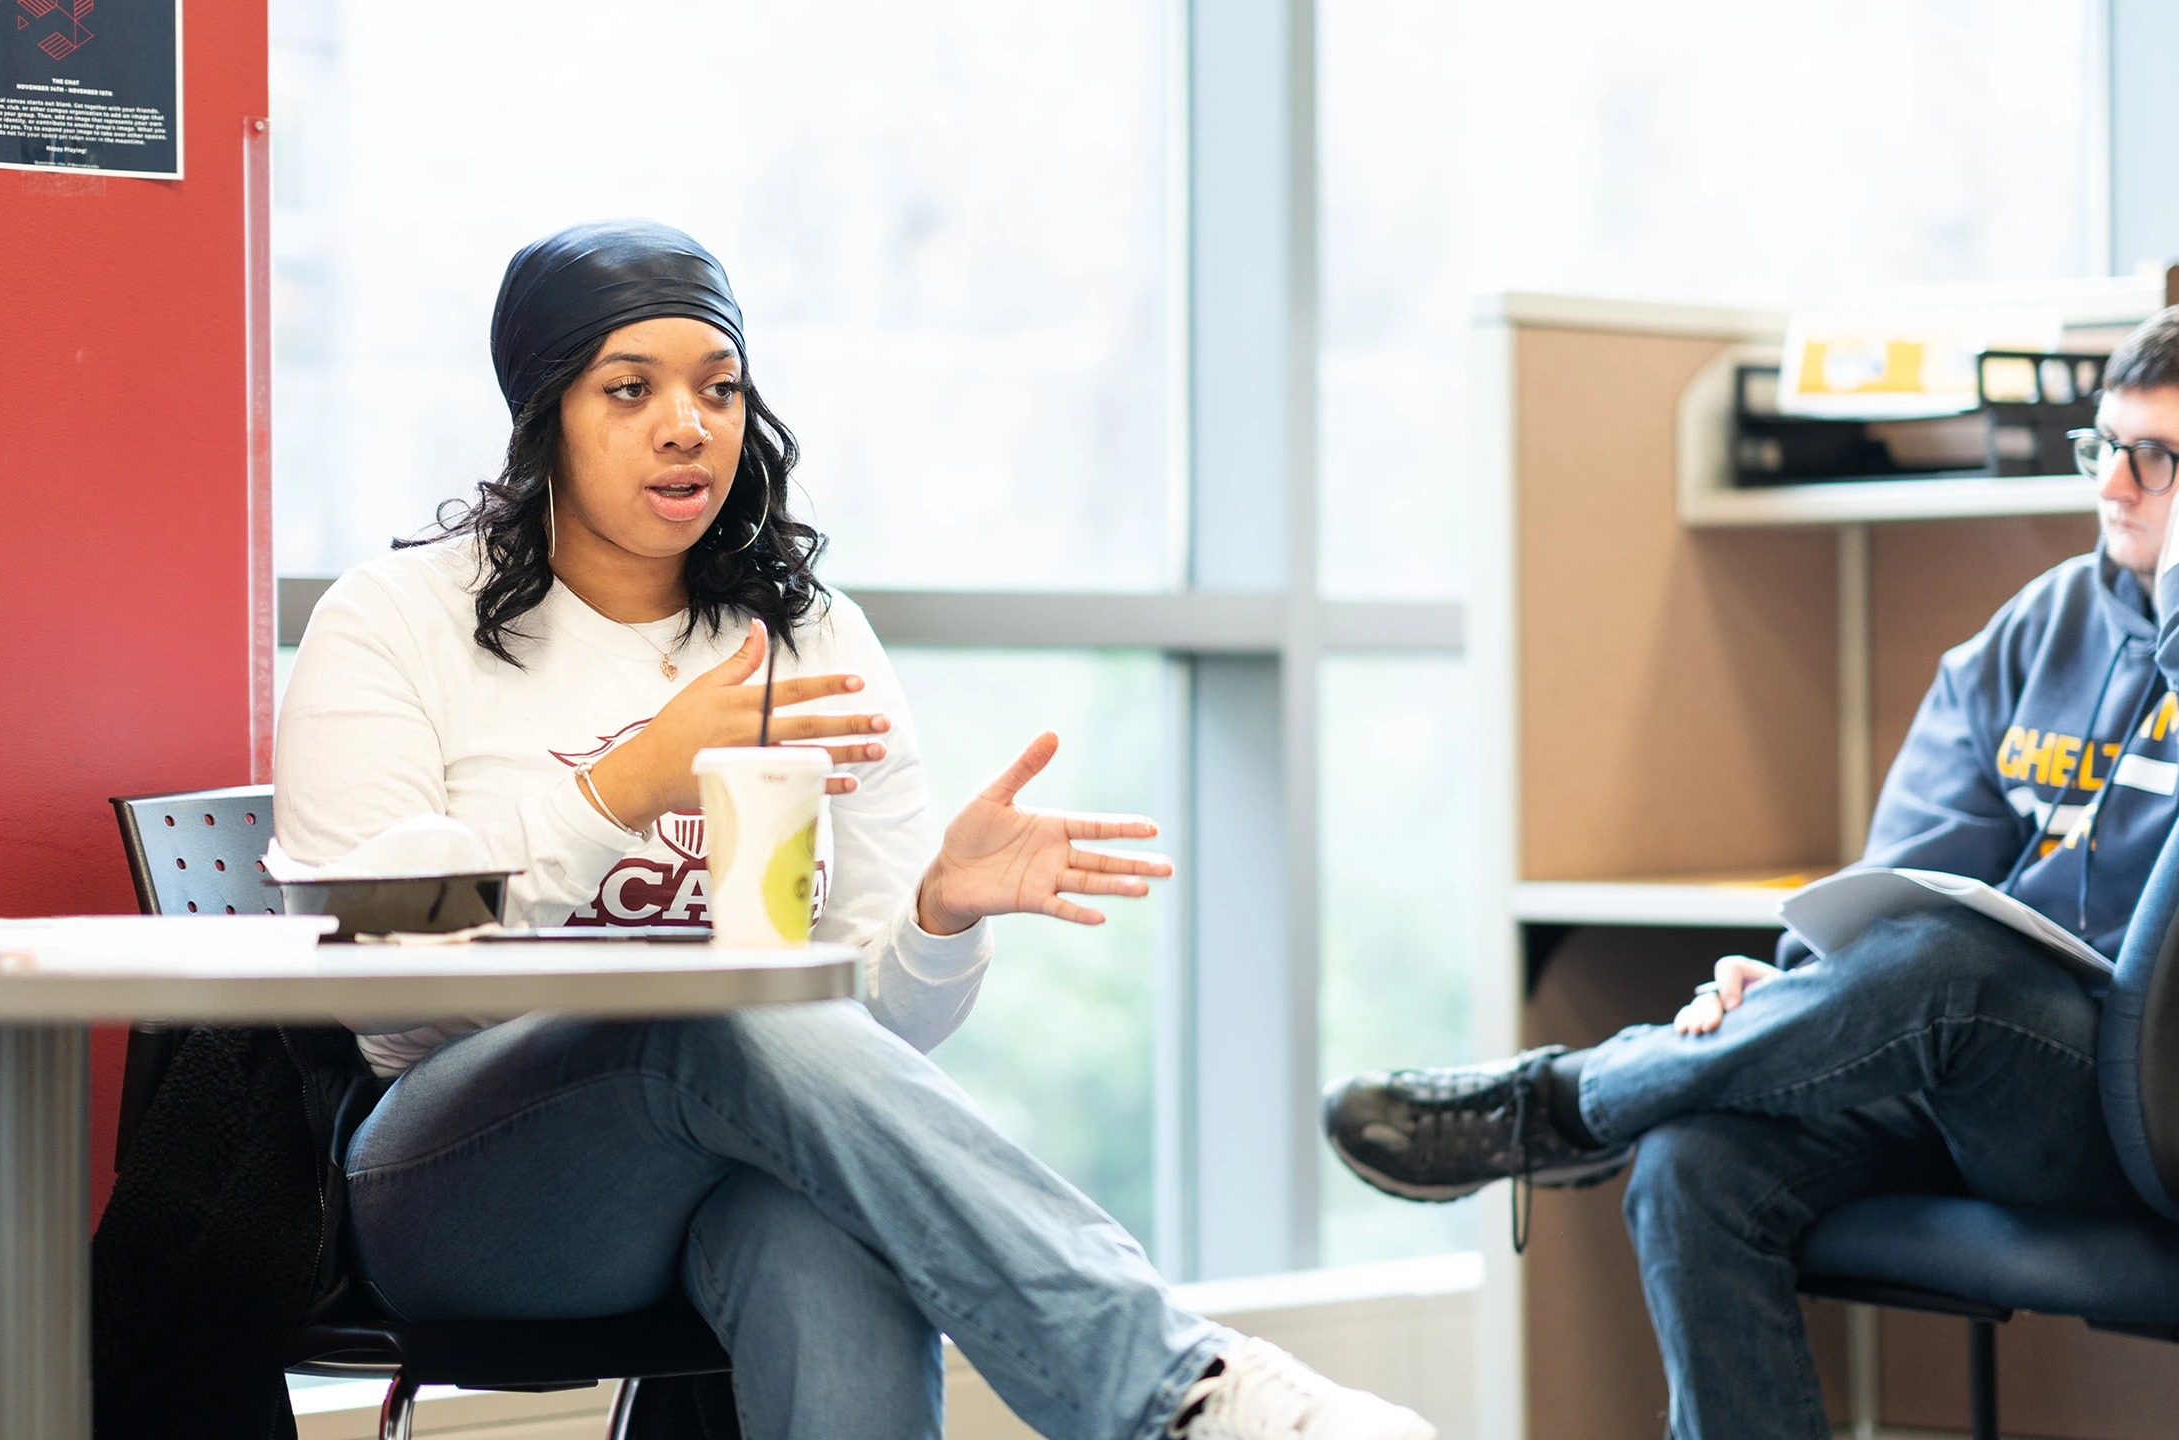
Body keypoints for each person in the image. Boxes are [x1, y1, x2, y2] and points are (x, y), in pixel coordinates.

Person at [276, 219, 1433, 1440]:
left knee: (823, 1227)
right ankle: (1177, 1394)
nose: (688, 426)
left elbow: (868, 1043)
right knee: (723, 1014)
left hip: (728, 1167)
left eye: (719, 389)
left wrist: (934, 921)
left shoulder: (806, 636)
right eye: (630, 391)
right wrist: (624, 784)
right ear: (542, 414)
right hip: (464, 1188)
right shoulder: (397, 618)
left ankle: (1182, 1399)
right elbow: (384, 971)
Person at [1319, 295, 2179, 1439]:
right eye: (2101, 448)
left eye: (2157, 460)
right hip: (1970, 1062)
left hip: (2157, 1101)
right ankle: (1625, 1107)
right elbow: (1905, 884)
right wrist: (1794, 985)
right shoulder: (2038, 626)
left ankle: (1572, 1100)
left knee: (1946, 965)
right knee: (1692, 1162)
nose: (2108, 487)